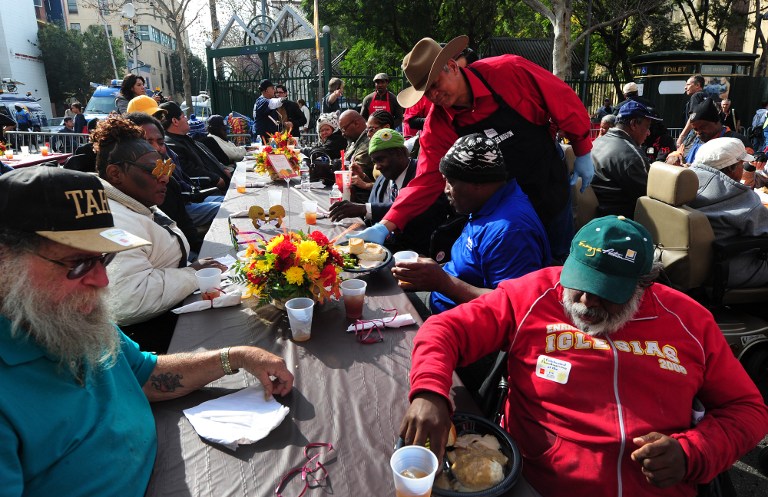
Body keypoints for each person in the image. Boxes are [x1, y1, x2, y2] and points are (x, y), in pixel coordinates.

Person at [399, 214, 768, 497]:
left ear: (645, 284)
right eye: (580, 284)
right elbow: (445, 330)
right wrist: (430, 392)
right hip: (538, 484)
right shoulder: (535, 294)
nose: (586, 301)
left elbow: (748, 410)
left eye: (606, 291)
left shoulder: (689, 321)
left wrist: (693, 453)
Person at [0, 166, 293, 497]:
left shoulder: (64, 318)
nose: (102, 281)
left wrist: (238, 357)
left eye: (104, 259)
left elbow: (146, 375)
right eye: (78, 263)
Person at [353, 36, 594, 263]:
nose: (433, 96)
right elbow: (426, 180)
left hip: (547, 183)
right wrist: (387, 224)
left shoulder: (508, 72)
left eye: (435, 84)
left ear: (452, 66)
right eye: (426, 92)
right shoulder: (439, 124)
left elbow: (563, 101)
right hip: (500, 209)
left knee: (556, 261)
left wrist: (582, 150)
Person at [92, 116, 226, 352]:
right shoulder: (115, 220)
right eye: (155, 169)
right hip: (149, 343)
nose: (165, 176)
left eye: (167, 167)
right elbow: (129, 298)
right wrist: (193, 275)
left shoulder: (136, 204)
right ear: (115, 174)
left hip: (171, 313)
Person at [391, 132, 549, 313]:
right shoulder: (487, 203)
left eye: (450, 182)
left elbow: (513, 307)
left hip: (462, 324)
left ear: (478, 183)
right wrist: (426, 272)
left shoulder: (511, 231)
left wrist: (443, 282)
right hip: (441, 300)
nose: (446, 190)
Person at [329, 129, 450, 255]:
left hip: (416, 255)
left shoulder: (423, 176)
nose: (377, 167)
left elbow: (425, 212)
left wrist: (366, 209)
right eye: (374, 162)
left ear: (400, 153)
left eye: (380, 159)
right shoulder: (382, 180)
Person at [688, 137, 768, 287]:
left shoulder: (685, 185)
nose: (743, 168)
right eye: (741, 164)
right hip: (729, 268)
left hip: (690, 265)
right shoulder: (741, 197)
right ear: (731, 168)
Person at [590, 101, 659, 219]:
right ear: (633, 124)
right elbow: (652, 198)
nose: (648, 133)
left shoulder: (596, 143)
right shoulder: (632, 156)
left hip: (597, 217)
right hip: (621, 222)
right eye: (647, 127)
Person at [161, 101, 231, 194]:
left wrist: (222, 168)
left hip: (222, 184)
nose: (187, 119)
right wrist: (216, 179)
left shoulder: (184, 138)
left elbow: (206, 158)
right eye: (183, 116)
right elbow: (189, 170)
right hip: (210, 191)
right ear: (175, 121)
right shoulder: (172, 144)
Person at [672, 98, 750, 166]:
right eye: (695, 129)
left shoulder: (737, 141)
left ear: (716, 122)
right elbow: (677, 153)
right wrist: (675, 159)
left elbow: (747, 168)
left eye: (702, 127)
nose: (698, 132)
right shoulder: (692, 137)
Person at [338, 110, 374, 203]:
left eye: (343, 129)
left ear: (356, 123)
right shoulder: (354, 141)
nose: (342, 134)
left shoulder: (368, 142)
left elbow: (353, 173)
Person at [676, 74, 708, 150]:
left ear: (697, 85)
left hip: (695, 136)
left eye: (688, 84)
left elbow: (693, 117)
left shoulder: (696, 96)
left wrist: (682, 136)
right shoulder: (706, 97)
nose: (685, 87)